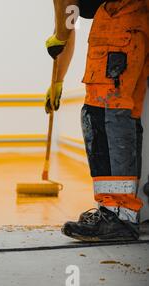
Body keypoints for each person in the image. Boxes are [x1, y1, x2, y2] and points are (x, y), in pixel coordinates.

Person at [45, 0, 149, 241]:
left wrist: (59, 36)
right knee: (126, 116)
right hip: (137, 25)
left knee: (103, 116)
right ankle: (126, 212)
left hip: (117, 26)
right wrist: (58, 80)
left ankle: (116, 214)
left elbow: (67, 16)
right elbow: (68, 20)